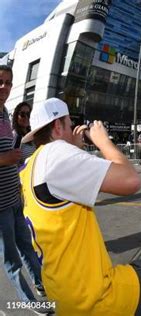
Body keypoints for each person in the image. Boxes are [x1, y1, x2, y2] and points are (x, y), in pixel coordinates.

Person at [20, 98, 141, 315]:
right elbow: (131, 181)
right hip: (95, 299)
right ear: (57, 126)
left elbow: (63, 183)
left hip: (62, 295)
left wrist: (74, 147)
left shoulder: (30, 166)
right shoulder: (56, 154)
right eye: (68, 123)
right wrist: (102, 141)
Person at [0, 65, 48, 312]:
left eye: (8, 83)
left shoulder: (4, 113)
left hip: (15, 198)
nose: (4, 87)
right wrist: (4, 159)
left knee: (28, 249)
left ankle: (44, 286)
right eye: (0, 81)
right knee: (12, 260)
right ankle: (30, 303)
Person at [12, 101, 36, 167]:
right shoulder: (15, 136)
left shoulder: (33, 135)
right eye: (22, 114)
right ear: (16, 116)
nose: (26, 117)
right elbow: (13, 163)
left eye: (28, 114)